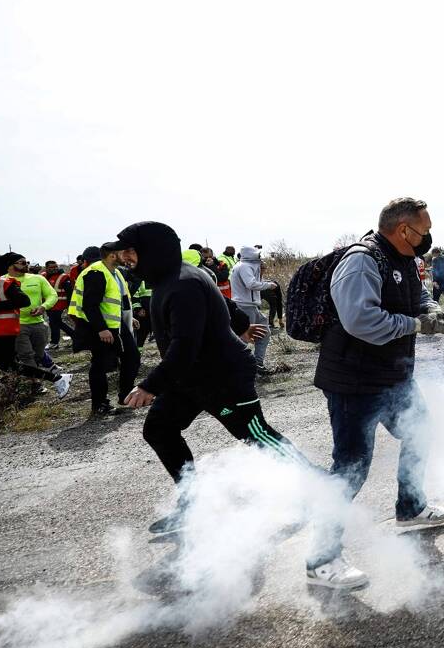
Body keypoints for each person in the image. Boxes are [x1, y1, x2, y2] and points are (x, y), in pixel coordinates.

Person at [115, 222, 310, 535]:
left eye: (131, 250)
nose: (125, 257)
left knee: (254, 434)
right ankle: (193, 503)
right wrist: (242, 326)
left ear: (152, 250)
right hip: (190, 377)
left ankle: (317, 488)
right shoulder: (170, 279)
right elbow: (226, 306)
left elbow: (184, 347)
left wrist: (150, 385)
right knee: (159, 429)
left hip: (223, 375)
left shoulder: (183, 283)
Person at [307, 198, 444, 588]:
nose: (428, 238)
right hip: (354, 382)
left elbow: (416, 296)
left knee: (420, 434)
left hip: (394, 377)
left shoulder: (404, 259)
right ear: (404, 229)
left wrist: (431, 310)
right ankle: (321, 561)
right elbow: (362, 320)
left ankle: (411, 508)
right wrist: (417, 325)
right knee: (351, 468)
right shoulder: (362, 260)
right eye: (424, 231)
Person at [0, 256, 72, 402]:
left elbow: (24, 301)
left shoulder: (4, 283)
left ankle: (57, 378)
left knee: (10, 365)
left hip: (2, 333)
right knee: (6, 365)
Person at [68, 243, 141, 416]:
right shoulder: (96, 272)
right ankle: (100, 405)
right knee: (101, 364)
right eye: (123, 254)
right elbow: (90, 305)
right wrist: (101, 329)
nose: (127, 257)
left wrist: (129, 319)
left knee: (132, 356)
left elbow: (117, 300)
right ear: (113, 256)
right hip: (96, 326)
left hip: (114, 325)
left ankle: (126, 395)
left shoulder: (114, 272)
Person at [5, 253, 68, 391]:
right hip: (17, 325)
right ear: (10, 265)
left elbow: (52, 295)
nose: (26, 265)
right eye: (21, 262)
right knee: (26, 355)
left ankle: (25, 376)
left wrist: (43, 307)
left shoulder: (38, 278)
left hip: (39, 323)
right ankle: (35, 384)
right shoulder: (2, 281)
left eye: (26, 262)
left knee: (38, 354)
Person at [231, 245, 279, 376]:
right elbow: (251, 284)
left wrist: (262, 276)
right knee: (244, 337)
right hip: (245, 306)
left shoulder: (243, 265)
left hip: (249, 306)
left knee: (263, 332)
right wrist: (269, 285)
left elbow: (252, 283)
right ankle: (241, 368)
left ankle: (256, 364)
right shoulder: (245, 266)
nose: (260, 257)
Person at [45, 261, 74, 348]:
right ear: (47, 268)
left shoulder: (63, 277)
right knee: (55, 323)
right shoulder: (45, 277)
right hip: (50, 305)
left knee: (56, 323)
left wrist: (69, 306)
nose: (54, 269)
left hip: (59, 305)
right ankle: (56, 342)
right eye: (51, 267)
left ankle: (54, 342)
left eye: (55, 267)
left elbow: (70, 292)